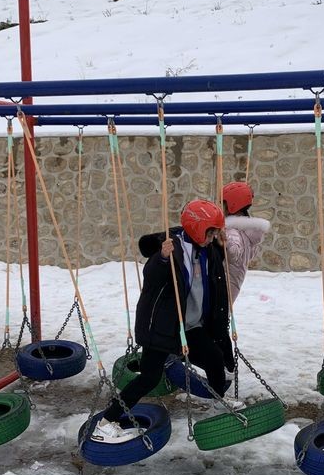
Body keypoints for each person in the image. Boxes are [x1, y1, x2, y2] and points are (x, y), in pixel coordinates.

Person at [91, 199, 237, 444]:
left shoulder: (208, 249)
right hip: (163, 327)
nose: (212, 237)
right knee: (149, 377)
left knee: (213, 356)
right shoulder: (171, 249)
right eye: (210, 232)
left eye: (215, 233)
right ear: (197, 227)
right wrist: (161, 258)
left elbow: (216, 277)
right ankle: (106, 422)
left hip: (191, 326)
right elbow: (151, 280)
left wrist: (220, 248)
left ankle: (218, 400)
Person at [216, 182, 270, 378]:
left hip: (224, 286)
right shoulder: (249, 230)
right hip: (232, 285)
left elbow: (234, 252)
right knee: (218, 327)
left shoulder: (232, 232)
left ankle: (226, 370)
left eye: (222, 203)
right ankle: (226, 369)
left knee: (214, 330)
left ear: (231, 205)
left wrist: (224, 242)